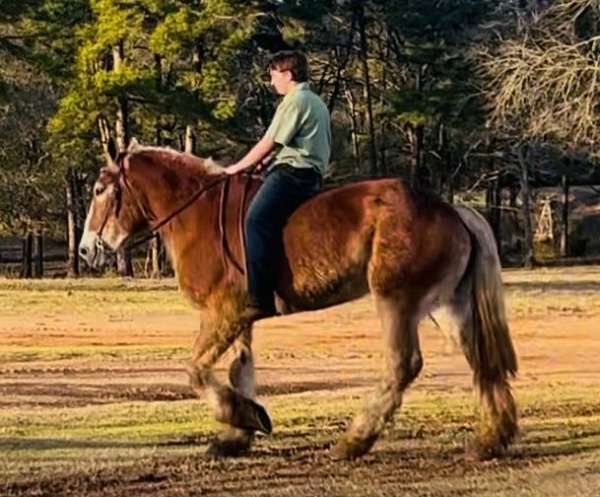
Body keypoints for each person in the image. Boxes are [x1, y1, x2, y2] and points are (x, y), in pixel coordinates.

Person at [225, 50, 332, 321]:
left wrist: (238, 167)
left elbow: (269, 141)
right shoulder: (315, 100)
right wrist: (264, 164)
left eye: (274, 76)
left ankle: (259, 299)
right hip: (310, 172)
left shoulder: (295, 101)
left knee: (255, 220)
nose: (272, 82)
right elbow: (288, 143)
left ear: (288, 74)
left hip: (293, 173)